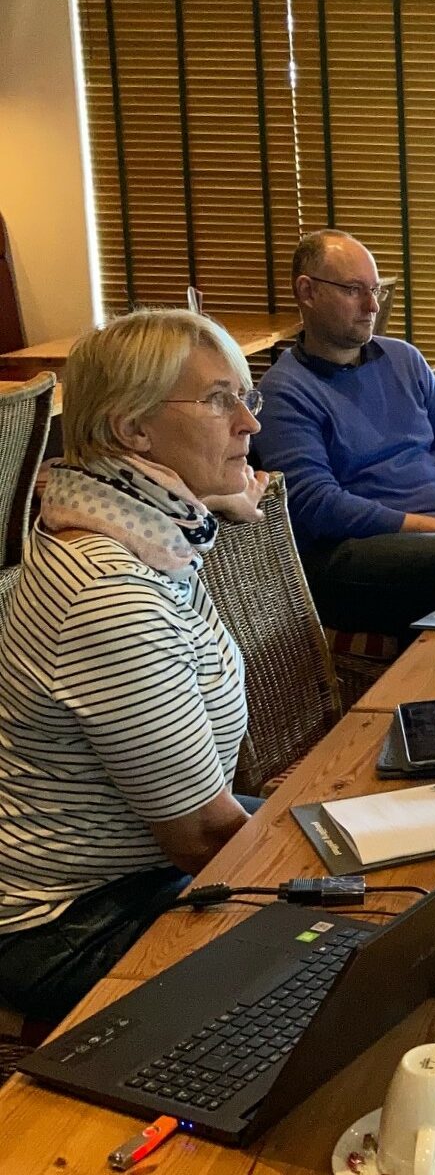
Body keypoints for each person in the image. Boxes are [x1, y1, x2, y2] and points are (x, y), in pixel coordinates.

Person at [0, 310, 265, 1021]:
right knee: (343, 961)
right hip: (69, 923)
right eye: (219, 400)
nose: (248, 422)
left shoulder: (141, 532)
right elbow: (201, 838)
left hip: (142, 866)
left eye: (246, 397)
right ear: (132, 430)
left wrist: (217, 497)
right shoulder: (111, 593)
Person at [257, 230, 435, 636]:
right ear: (307, 291)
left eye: (375, 290)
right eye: (353, 290)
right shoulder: (284, 391)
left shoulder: (404, 358)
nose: (372, 305)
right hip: (350, 557)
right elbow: (319, 505)